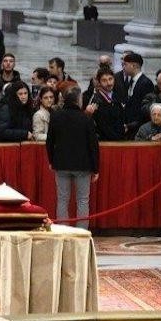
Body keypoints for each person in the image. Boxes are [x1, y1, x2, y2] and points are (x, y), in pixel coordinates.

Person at [46, 86, 99, 229]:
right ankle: (81, 232)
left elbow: (49, 141)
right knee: (83, 200)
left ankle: (63, 231)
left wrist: (51, 160)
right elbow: (93, 145)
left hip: (61, 164)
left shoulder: (56, 116)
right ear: (78, 100)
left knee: (62, 200)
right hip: (83, 165)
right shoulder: (85, 118)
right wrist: (95, 168)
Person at [122, 53, 154, 138]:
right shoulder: (130, 81)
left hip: (138, 127)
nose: (123, 67)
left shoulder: (145, 83)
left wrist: (132, 125)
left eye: (125, 64)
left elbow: (144, 109)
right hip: (129, 125)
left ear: (134, 65)